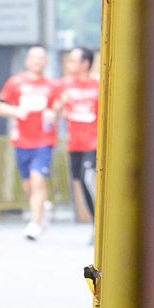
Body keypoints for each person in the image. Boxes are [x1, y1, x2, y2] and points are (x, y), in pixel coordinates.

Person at [0, 44, 61, 240]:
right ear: (27, 61)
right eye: (33, 57)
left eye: (41, 57)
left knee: (38, 179)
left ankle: (34, 224)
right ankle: (41, 209)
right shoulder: (15, 82)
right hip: (21, 141)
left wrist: (54, 113)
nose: (37, 61)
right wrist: (15, 110)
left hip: (44, 140)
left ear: (46, 62)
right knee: (28, 186)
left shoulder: (53, 85)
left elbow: (61, 106)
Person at [54, 46, 99, 224]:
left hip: (94, 144)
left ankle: (100, 222)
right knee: (81, 182)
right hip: (75, 144)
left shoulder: (99, 83)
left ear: (85, 63)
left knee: (89, 179)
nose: (69, 64)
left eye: (73, 60)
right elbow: (55, 113)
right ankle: (95, 223)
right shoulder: (64, 84)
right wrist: (60, 105)